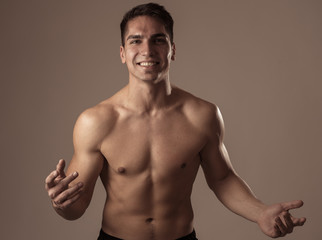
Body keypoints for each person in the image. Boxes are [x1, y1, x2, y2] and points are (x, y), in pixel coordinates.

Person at [45, 3, 306, 240]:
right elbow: (76, 206)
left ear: (172, 50)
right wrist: (62, 204)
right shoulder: (95, 122)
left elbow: (223, 179)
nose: (147, 50)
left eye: (158, 40)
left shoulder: (202, 115)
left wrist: (260, 212)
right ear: (123, 53)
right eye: (136, 41)